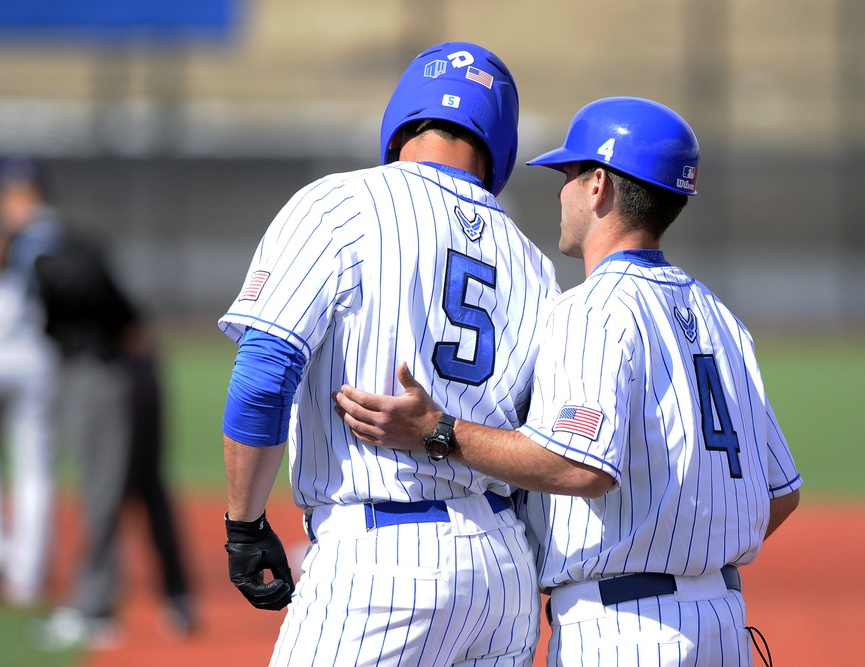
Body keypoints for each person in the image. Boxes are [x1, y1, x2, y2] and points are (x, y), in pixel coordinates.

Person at [335, 97, 803, 666]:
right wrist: (689, 545)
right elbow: (781, 492)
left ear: (598, 184)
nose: (561, 190)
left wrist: (437, 430)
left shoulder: (592, 310)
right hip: (722, 626)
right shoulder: (720, 317)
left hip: (626, 633)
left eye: (568, 174)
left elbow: (580, 467)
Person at [218, 41, 560, 666]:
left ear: (403, 118)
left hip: (381, 566)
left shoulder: (338, 204)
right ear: (499, 142)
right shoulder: (534, 264)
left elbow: (265, 375)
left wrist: (244, 524)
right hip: (503, 570)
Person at [26, 209, 196, 648]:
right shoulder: (58, 248)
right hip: (125, 370)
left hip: (103, 372)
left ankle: (95, 609)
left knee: (108, 488)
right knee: (142, 484)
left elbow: (101, 297)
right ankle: (177, 596)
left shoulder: (48, 252)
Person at [0, 156, 61, 607]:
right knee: (34, 470)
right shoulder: (53, 229)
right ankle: (25, 577)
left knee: (33, 470)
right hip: (38, 357)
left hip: (22, 351)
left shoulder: (29, 232)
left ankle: (17, 569)